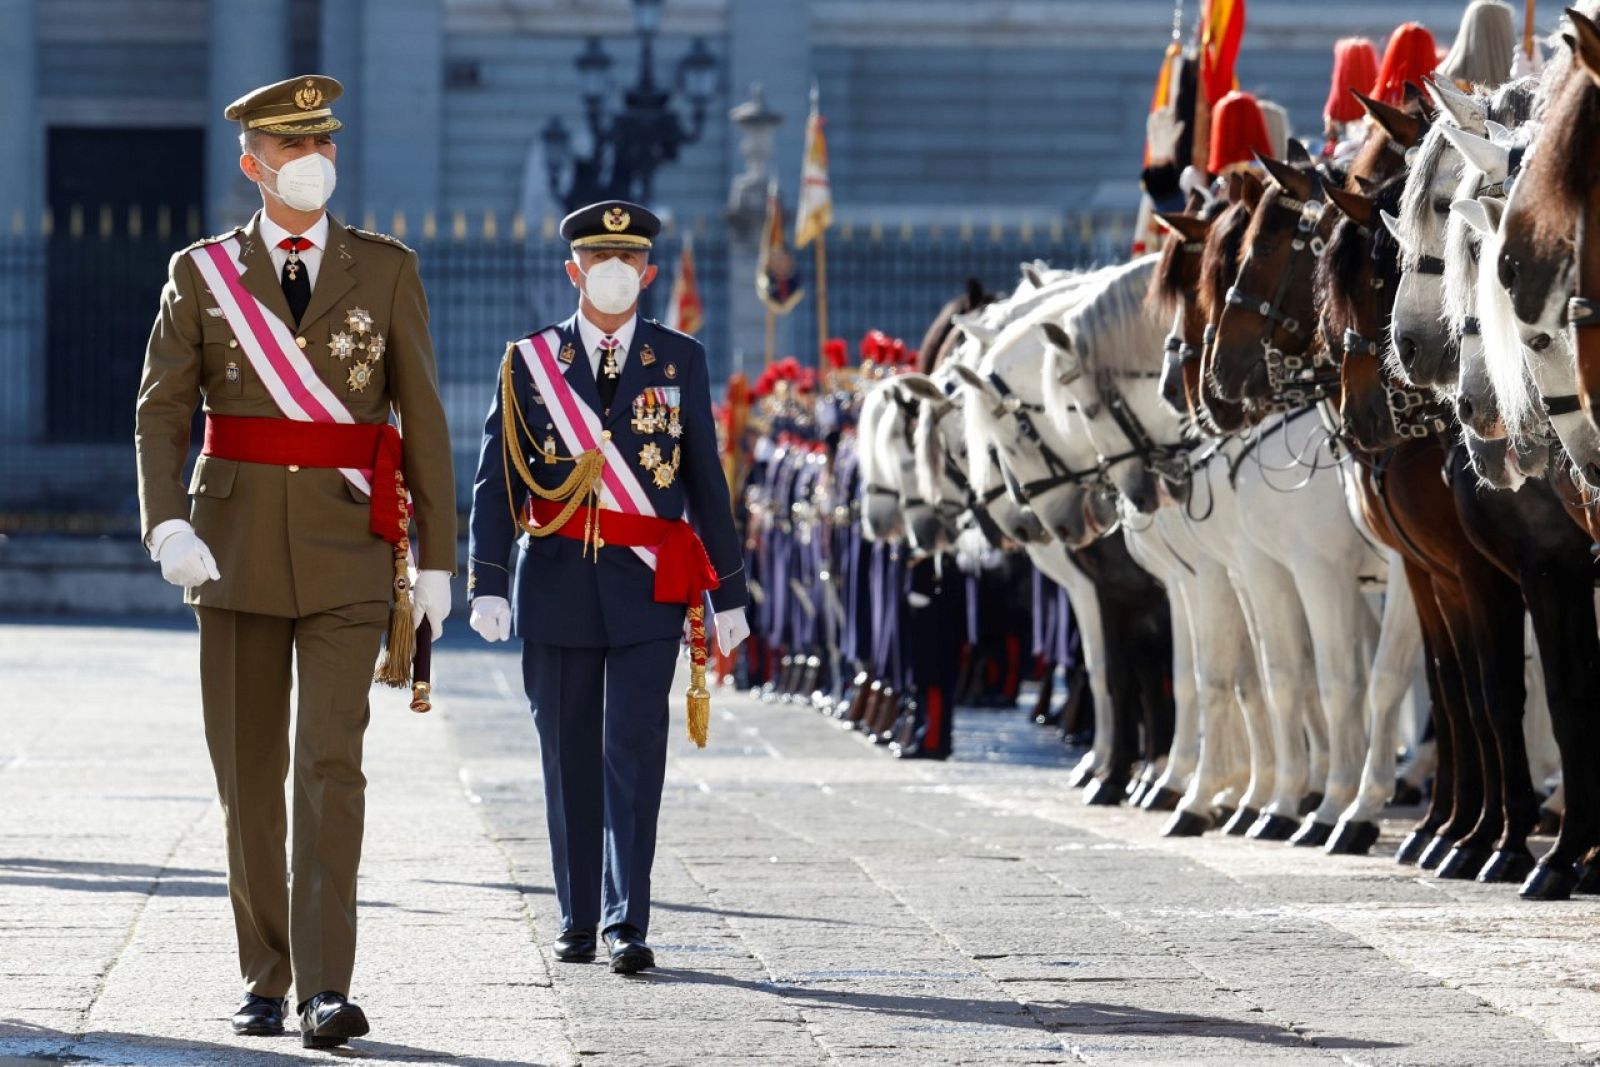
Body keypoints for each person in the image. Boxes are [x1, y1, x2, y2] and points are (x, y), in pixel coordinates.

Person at [133, 74, 456, 1048]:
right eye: (290, 147)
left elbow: (424, 417)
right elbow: (160, 409)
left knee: (329, 763)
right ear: (253, 165)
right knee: (247, 770)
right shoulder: (202, 275)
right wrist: (163, 525)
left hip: (347, 550)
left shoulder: (385, 269)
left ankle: (325, 984)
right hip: (227, 552)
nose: (312, 160)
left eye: (323, 143)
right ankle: (265, 973)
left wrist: (437, 557)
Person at [466, 200, 750, 974]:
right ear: (575, 271)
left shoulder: (677, 358)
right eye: (600, 260)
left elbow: (705, 483)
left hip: (647, 586)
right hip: (556, 580)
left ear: (649, 273)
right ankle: (577, 915)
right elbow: (495, 483)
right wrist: (487, 580)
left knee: (634, 748)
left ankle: (629, 919)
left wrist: (730, 592)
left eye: (629, 261)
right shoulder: (528, 363)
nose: (615, 273)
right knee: (566, 754)